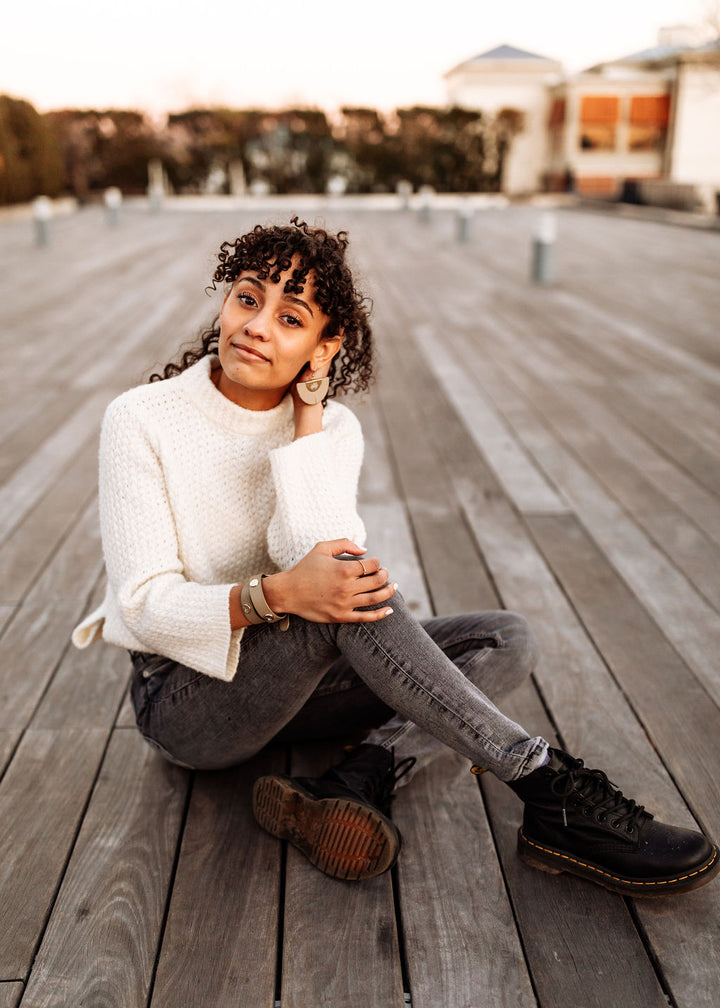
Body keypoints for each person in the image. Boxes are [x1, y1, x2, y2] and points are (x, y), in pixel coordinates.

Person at [73, 218, 718, 897]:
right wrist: (279, 597)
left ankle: (360, 774)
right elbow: (142, 609)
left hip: (296, 690)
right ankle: (543, 783)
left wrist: (307, 421)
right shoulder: (141, 419)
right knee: (336, 593)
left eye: (290, 317)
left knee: (505, 640)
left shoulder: (332, 431)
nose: (256, 326)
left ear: (325, 346)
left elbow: (314, 550)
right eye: (246, 297)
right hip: (187, 703)